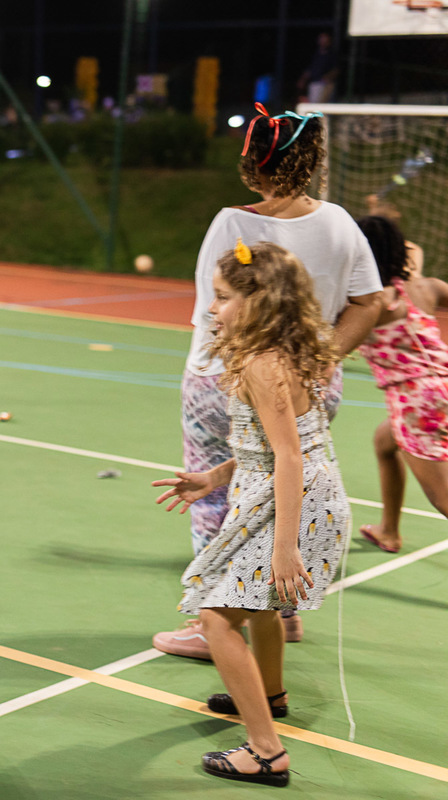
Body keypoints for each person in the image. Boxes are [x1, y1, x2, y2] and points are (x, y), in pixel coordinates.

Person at [153, 103, 382, 660]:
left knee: (220, 499)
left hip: (228, 381)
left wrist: (244, 372)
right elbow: (370, 303)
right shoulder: (341, 223)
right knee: (281, 487)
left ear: (254, 162)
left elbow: (212, 315)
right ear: (312, 161)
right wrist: (323, 358)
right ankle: (278, 608)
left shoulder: (233, 223)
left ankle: (215, 620)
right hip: (311, 386)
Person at [153, 240, 348, 787]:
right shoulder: (280, 351)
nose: (212, 308)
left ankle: (265, 751)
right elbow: (270, 446)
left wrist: (284, 549)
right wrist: (212, 478)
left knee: (217, 619)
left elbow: (289, 457)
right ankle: (270, 694)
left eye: (221, 297)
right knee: (260, 608)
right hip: (294, 493)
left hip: (294, 501)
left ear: (258, 301)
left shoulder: (263, 363)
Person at [355, 215, 448, 553]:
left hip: (418, 404)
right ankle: (388, 532)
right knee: (384, 442)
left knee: (443, 499)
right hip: (443, 386)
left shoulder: (369, 302)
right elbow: (414, 251)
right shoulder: (426, 287)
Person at [297, 32, 337, 104]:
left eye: (325, 40)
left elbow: (336, 69)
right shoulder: (315, 54)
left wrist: (327, 77)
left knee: (321, 105)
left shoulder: (332, 54)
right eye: (321, 39)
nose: (323, 42)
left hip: (326, 85)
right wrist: (303, 79)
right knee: (313, 104)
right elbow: (309, 69)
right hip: (314, 84)